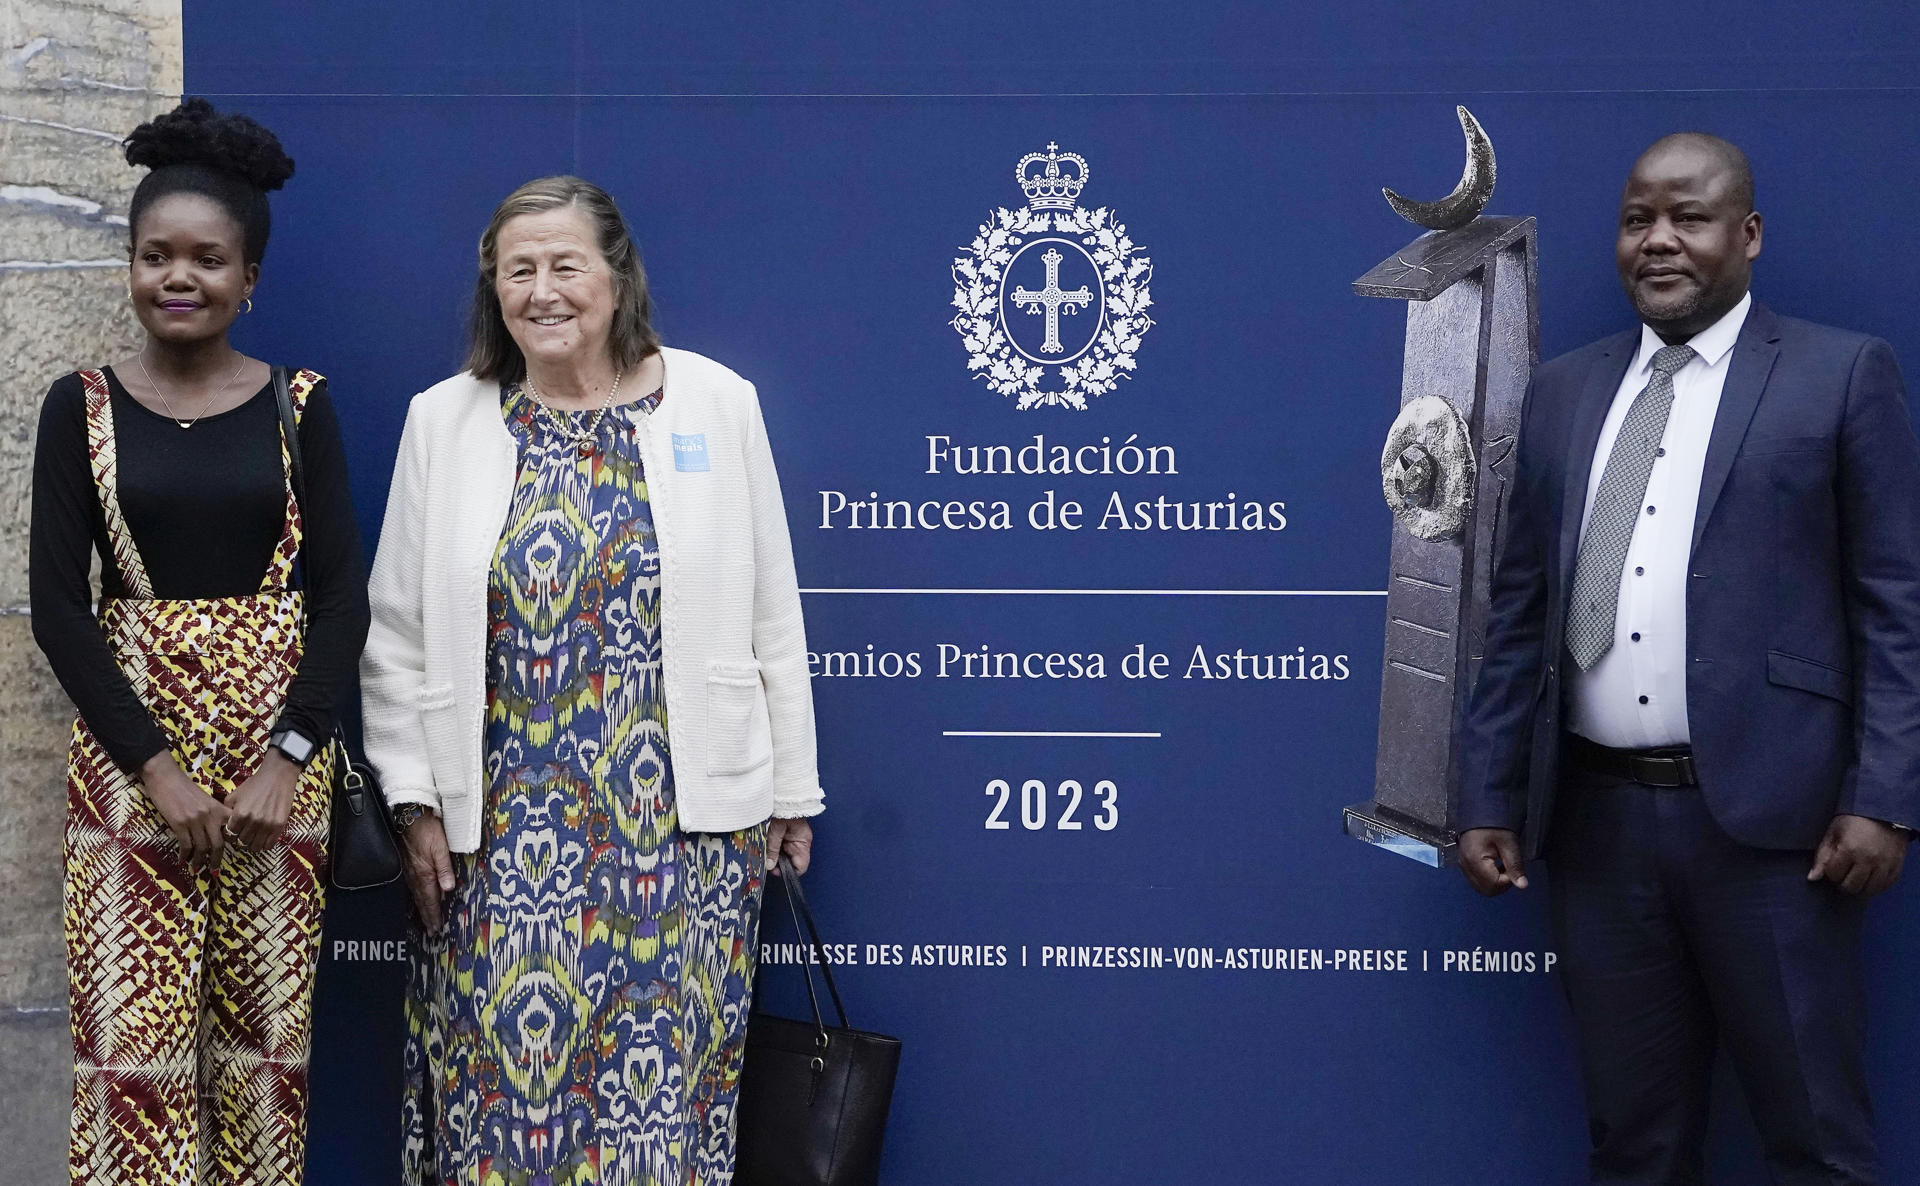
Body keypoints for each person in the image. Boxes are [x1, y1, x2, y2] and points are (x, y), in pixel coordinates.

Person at [1457, 131, 1920, 1183]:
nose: (1658, 241)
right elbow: (1520, 610)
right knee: (1635, 1145)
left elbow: (1899, 602)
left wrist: (1886, 797)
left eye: (1689, 217)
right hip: (1597, 829)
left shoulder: (1841, 375)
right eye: (1637, 219)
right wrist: (1487, 793)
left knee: (1814, 1140)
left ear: (1746, 235)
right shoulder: (1566, 393)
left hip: (1779, 835)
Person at [361, 174, 824, 1183]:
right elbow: (394, 633)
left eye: (566, 264)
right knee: (500, 1106)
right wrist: (411, 799)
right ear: (494, 289)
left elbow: (769, 610)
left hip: (684, 840)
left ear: (618, 277)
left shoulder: (716, 400)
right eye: (518, 269)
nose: (543, 290)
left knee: (663, 1109)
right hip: (499, 844)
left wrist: (794, 790)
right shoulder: (443, 422)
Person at [30, 99, 369, 1183]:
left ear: (249, 278)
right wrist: (156, 770)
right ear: (130, 267)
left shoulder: (296, 405)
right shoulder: (76, 408)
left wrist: (291, 756)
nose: (179, 276)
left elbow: (342, 599)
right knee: (134, 1063)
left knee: (264, 1056)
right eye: (155, 255)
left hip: (280, 780)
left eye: (207, 259)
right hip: (133, 783)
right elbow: (56, 607)